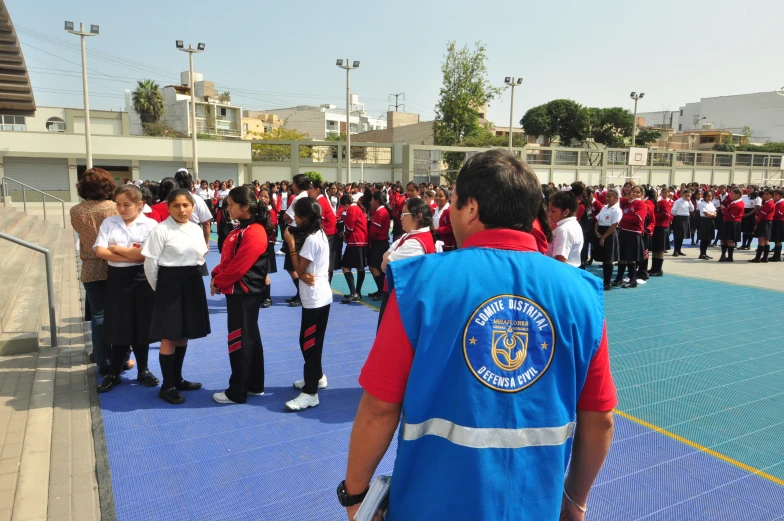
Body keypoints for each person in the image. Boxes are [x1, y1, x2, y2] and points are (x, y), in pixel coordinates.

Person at [342, 150, 615, 521]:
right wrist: (574, 500)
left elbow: (378, 409)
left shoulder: (419, 284)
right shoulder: (581, 292)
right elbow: (599, 419)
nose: (448, 213)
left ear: (471, 208)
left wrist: (355, 494)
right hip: (535, 506)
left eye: (452, 202)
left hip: (429, 505)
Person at [142, 189, 210, 404]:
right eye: (176, 206)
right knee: (169, 335)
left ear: (192, 206)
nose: (182, 210)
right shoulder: (160, 230)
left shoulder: (196, 228)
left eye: (186, 205)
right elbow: (150, 264)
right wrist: (159, 289)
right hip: (169, 283)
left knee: (183, 334)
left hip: (192, 281)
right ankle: (167, 385)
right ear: (169, 207)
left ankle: (177, 378)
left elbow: (199, 256)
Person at [94, 184, 160, 392]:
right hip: (117, 279)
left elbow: (143, 255)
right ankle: (114, 372)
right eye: (118, 205)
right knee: (118, 325)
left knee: (141, 326)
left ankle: (143, 370)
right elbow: (100, 252)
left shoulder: (150, 225)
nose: (122, 209)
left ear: (140, 204)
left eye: (127, 205)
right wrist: (127, 254)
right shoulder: (109, 222)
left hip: (142, 280)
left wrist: (115, 248)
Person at [210, 186, 271, 404]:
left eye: (231, 205)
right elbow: (228, 261)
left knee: (240, 339)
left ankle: (237, 391)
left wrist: (219, 281)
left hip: (244, 292)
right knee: (250, 336)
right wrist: (216, 274)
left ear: (245, 207)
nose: (228, 208)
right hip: (239, 291)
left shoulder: (254, 231)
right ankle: (253, 384)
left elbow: (239, 267)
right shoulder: (241, 229)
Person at [282, 197, 332, 411]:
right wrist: (303, 275)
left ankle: (310, 392)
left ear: (303, 218)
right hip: (317, 295)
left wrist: (291, 244)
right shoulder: (318, 232)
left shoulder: (311, 239)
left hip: (315, 297)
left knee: (310, 344)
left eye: (297, 216)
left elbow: (300, 269)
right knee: (308, 341)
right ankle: (317, 376)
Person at [70, 168, 118, 375]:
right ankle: (119, 356)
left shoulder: (76, 211)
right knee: (117, 314)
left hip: (89, 266)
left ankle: (101, 359)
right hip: (114, 264)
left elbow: (81, 233)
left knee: (98, 315)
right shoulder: (114, 208)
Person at [283, 174, 311, 307]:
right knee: (301, 264)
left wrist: (289, 221)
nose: (292, 185)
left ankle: (301, 293)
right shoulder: (309, 196)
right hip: (305, 232)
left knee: (292, 266)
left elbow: (286, 216)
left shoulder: (298, 198)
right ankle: (300, 292)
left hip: (295, 233)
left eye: (293, 183)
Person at [613, 185, 647, 289]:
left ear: (642, 194)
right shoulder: (628, 203)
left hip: (633, 233)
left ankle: (633, 280)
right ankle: (619, 278)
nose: (635, 194)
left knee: (631, 258)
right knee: (622, 257)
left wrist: (623, 218)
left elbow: (637, 219)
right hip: (623, 232)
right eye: (633, 191)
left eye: (638, 192)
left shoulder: (641, 203)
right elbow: (619, 203)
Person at [340, 193, 369, 304]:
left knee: (346, 267)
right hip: (363, 240)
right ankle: (358, 291)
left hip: (355, 241)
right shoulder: (359, 208)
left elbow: (349, 226)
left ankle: (354, 292)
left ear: (346, 204)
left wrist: (345, 237)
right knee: (360, 268)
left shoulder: (352, 209)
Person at [309, 180, 338, 284]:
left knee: (326, 263)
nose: (310, 191)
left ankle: (326, 286)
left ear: (317, 189)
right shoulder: (322, 200)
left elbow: (319, 222)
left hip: (329, 235)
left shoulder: (320, 201)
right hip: (328, 234)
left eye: (311, 188)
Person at [593, 188, 621, 290]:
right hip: (601, 231)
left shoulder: (617, 210)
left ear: (616, 198)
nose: (607, 198)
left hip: (609, 234)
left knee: (609, 259)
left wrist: (604, 237)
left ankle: (607, 282)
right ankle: (604, 281)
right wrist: (596, 231)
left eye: (610, 196)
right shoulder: (604, 208)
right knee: (604, 258)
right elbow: (597, 219)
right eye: (607, 196)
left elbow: (614, 225)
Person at [547, 191, 584, 267]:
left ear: (566, 212)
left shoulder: (564, 230)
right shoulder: (572, 225)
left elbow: (561, 259)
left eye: (553, 211)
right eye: (549, 210)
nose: (549, 214)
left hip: (560, 272)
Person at [367, 191, 392, 300]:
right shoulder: (383, 211)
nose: (371, 202)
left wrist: (369, 242)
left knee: (373, 267)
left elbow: (374, 232)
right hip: (382, 242)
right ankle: (381, 290)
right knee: (378, 267)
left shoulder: (380, 213)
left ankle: (382, 290)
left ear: (376, 201)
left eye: (372, 200)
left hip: (379, 243)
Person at [259, 187, 277, 308]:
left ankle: (267, 297)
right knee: (259, 271)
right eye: (261, 196)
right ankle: (262, 295)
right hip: (259, 244)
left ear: (270, 199)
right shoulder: (259, 211)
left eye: (266, 196)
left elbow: (272, 228)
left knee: (264, 272)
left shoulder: (271, 212)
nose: (262, 198)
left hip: (267, 244)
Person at [749, 188, 775, 263]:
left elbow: (762, 214)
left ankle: (758, 258)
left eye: (767, 194)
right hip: (767, 222)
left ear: (771, 195)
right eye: (764, 194)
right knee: (766, 240)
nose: (765, 195)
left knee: (761, 240)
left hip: (764, 222)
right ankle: (764, 257)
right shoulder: (767, 202)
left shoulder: (769, 203)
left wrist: (757, 219)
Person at [719, 188, 745, 262]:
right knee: (723, 239)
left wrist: (724, 209)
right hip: (728, 222)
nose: (731, 195)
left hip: (732, 223)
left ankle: (729, 257)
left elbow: (732, 215)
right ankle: (724, 255)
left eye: (733, 194)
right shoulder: (734, 202)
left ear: (738, 195)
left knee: (730, 240)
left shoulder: (737, 204)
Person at [670, 189, 693, 256]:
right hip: (679, 218)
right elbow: (673, 211)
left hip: (686, 219)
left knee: (682, 235)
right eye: (686, 195)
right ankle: (675, 251)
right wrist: (678, 216)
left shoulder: (688, 202)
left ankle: (679, 250)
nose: (687, 197)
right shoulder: (678, 201)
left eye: (689, 196)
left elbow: (692, 209)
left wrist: (690, 202)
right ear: (683, 194)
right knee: (678, 236)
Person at [433, 187, 456, 252]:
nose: (437, 198)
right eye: (436, 195)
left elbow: (451, 227)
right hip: (436, 240)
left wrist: (437, 230)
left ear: (447, 198)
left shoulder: (449, 210)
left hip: (447, 244)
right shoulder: (434, 209)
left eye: (441, 196)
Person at [697, 190, 717, 260]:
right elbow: (706, 214)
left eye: (710, 196)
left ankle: (705, 253)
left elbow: (715, 212)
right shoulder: (702, 204)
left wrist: (712, 214)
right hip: (704, 221)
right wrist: (712, 214)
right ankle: (702, 254)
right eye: (708, 196)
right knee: (704, 238)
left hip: (711, 221)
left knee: (708, 238)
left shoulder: (711, 203)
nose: (709, 198)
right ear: (704, 197)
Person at [770, 189, 784, 262]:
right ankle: (776, 255)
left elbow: (779, 214)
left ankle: (777, 256)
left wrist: (771, 214)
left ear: (781, 196)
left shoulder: (781, 203)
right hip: (777, 221)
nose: (774, 196)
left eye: (776, 195)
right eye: (774, 195)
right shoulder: (777, 202)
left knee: (778, 240)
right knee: (776, 240)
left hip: (779, 222)